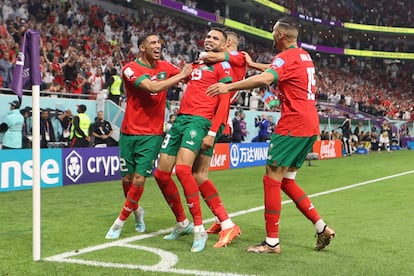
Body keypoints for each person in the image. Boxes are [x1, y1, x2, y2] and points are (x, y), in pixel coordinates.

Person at [207, 16, 335, 254]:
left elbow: (268, 78)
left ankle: (272, 242)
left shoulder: (285, 57)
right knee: (287, 181)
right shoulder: (303, 56)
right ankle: (321, 226)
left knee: (271, 178)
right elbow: (276, 71)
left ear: (281, 36)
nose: (271, 35)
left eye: (273, 31)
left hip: (293, 123)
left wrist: (229, 86)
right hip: (310, 123)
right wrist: (254, 65)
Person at [153, 28, 234, 253]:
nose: (209, 40)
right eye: (208, 36)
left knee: (183, 170)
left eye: (215, 38)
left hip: (200, 122)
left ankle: (199, 228)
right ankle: (182, 223)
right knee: (161, 173)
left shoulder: (222, 66)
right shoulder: (196, 63)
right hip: (180, 120)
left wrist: (213, 131)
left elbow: (224, 101)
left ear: (225, 45)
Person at [105, 33, 192, 240]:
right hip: (128, 132)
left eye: (159, 42)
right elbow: (152, 87)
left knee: (139, 178)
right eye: (152, 42)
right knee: (127, 178)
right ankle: (136, 211)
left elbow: (188, 74)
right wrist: (181, 76)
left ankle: (119, 222)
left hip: (152, 134)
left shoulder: (165, 66)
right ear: (142, 47)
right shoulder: (130, 69)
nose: (158, 45)